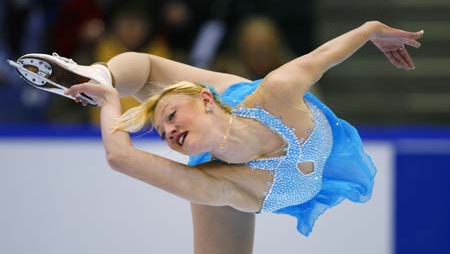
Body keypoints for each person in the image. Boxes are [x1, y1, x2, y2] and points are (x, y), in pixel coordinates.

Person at [13, 21, 423, 254]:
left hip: (250, 113)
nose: (169, 133)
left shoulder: (273, 93)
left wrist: (371, 30)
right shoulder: (219, 184)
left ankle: (111, 80)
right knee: (145, 84)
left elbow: (324, 57)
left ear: (205, 101)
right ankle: (99, 75)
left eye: (170, 120)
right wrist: (106, 98)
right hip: (239, 175)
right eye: (164, 134)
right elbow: (120, 157)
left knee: (155, 76)